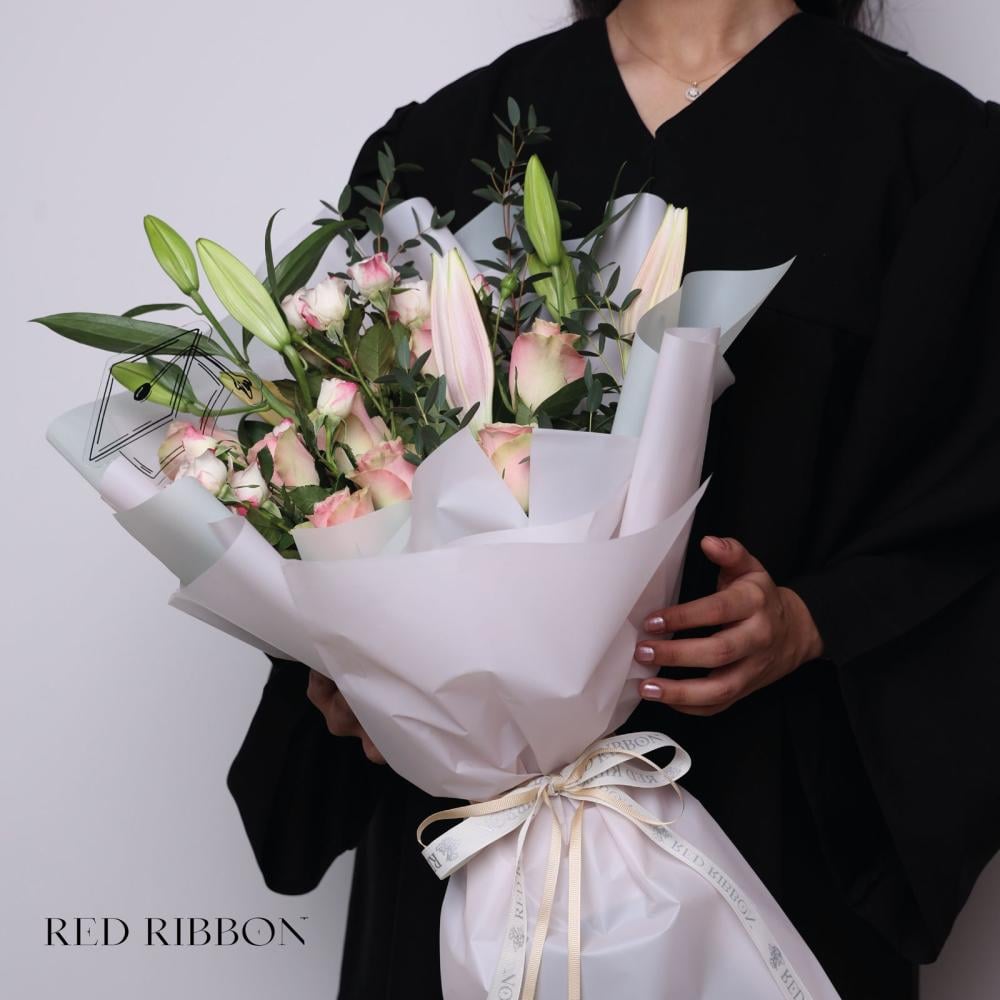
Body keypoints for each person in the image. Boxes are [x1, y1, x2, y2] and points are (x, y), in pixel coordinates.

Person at [226, 1, 1000, 997]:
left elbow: (972, 511)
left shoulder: (935, 158)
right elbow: (344, 457)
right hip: (469, 856)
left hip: (765, 838)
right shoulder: (444, 146)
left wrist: (812, 622)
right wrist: (344, 672)